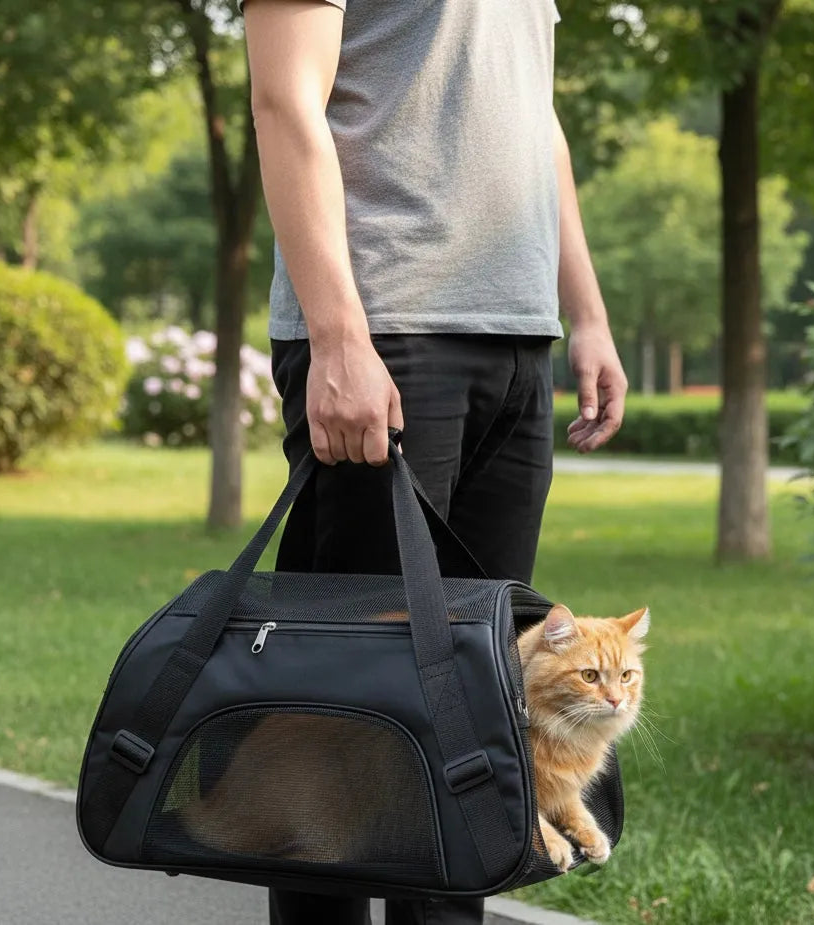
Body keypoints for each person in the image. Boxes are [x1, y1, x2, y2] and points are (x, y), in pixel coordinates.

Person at [241, 0, 628, 922]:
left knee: (481, 691)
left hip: (514, 334)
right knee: (345, 700)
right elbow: (283, 99)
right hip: (387, 326)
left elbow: (535, 116)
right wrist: (338, 337)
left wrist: (588, 311)